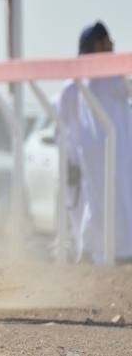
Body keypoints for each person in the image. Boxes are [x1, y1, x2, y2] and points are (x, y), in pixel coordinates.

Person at [55, 21, 132, 263]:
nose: (112, 46)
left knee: (105, 209)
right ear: (98, 45)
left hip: (114, 160)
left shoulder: (108, 82)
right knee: (97, 208)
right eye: (107, 41)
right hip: (93, 164)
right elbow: (64, 130)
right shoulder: (80, 86)